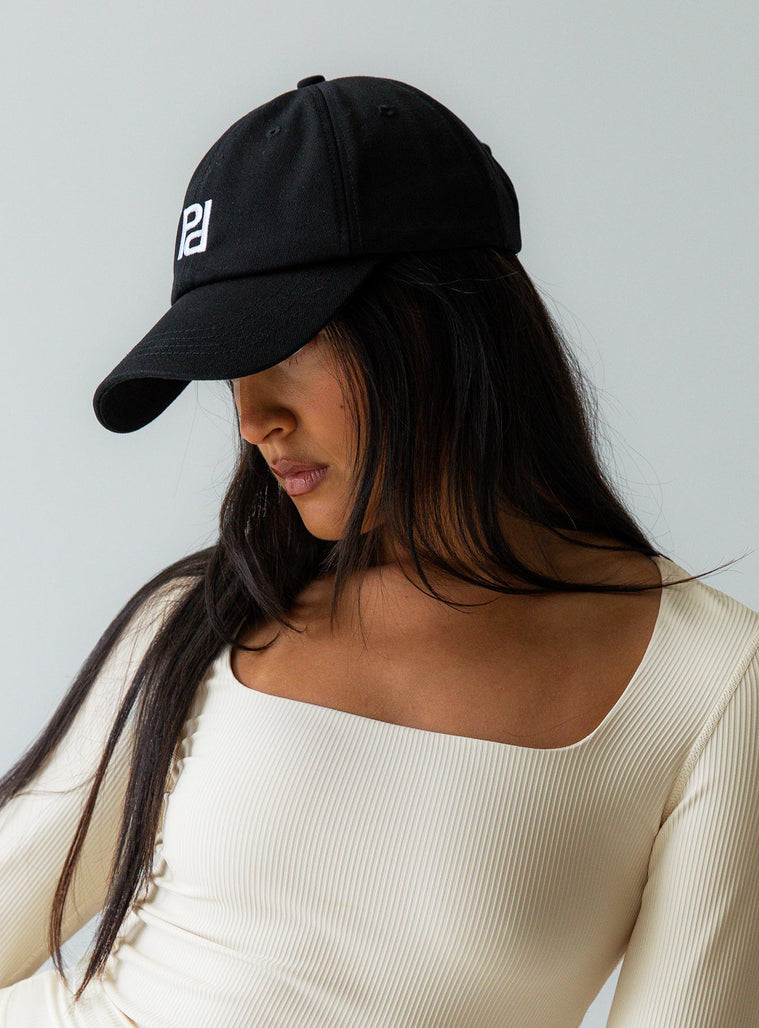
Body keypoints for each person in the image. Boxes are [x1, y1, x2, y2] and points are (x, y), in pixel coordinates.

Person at [1, 74, 758, 1027]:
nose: (252, 420)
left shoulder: (711, 680)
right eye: (229, 369)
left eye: (286, 347)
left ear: (439, 322)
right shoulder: (202, 620)